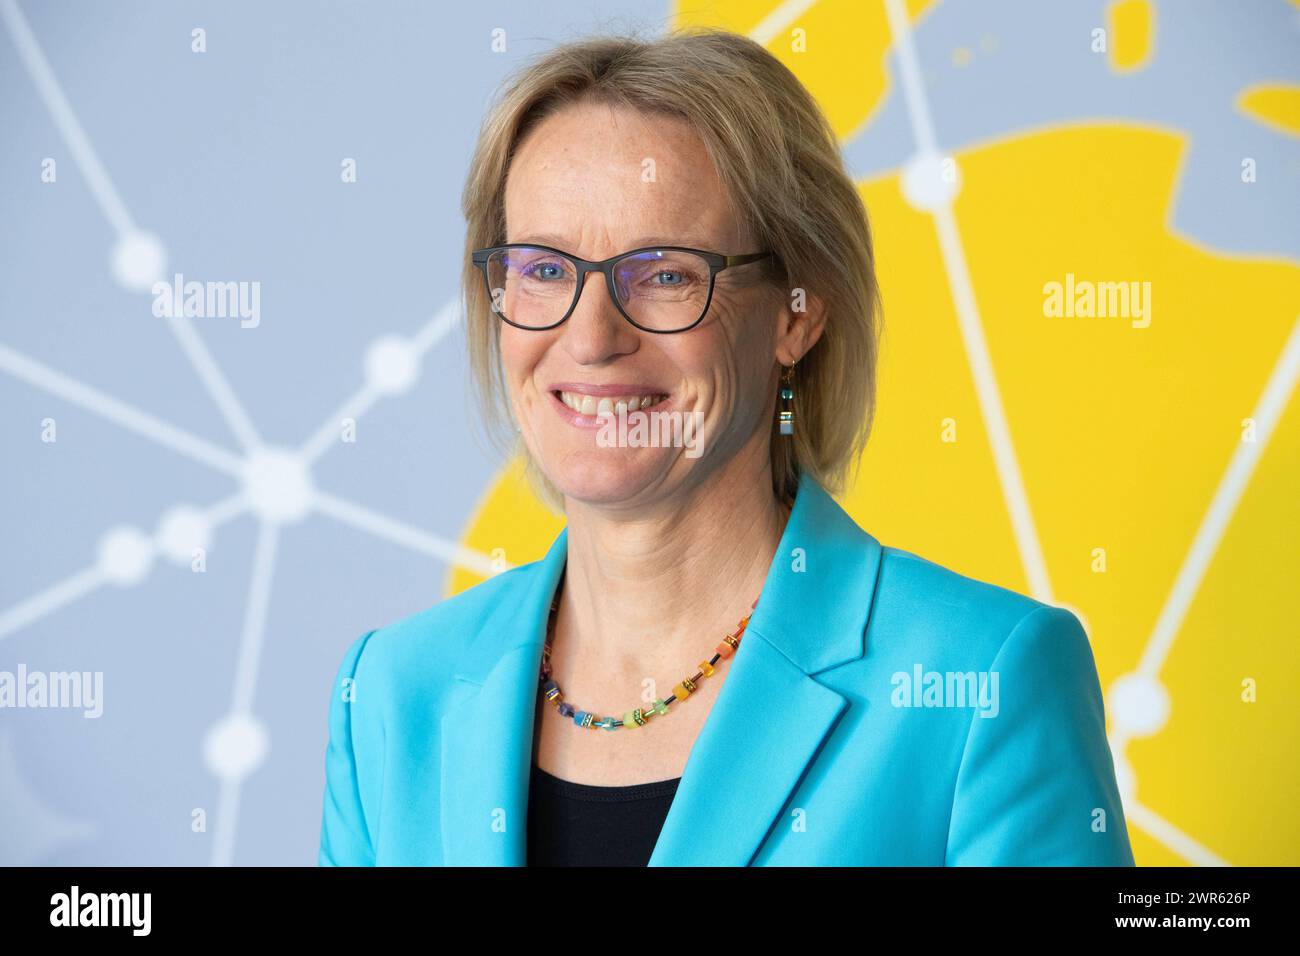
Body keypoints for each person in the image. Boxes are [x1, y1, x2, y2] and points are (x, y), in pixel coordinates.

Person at [318, 27, 1135, 867]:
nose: (591, 337)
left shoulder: (981, 685)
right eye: (545, 269)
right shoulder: (392, 691)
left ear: (797, 312)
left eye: (665, 273)